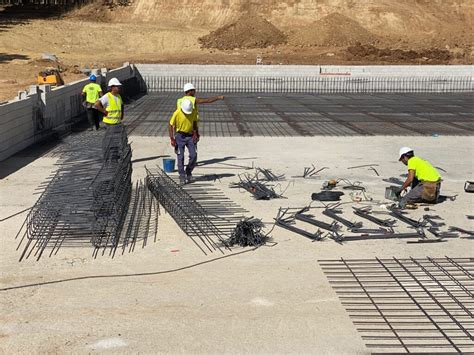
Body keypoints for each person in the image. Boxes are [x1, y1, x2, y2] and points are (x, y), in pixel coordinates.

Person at [169, 99, 199, 185]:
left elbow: (194, 123)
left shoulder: (193, 111)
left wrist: (195, 133)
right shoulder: (177, 113)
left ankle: (188, 172)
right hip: (179, 136)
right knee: (180, 157)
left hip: (190, 136)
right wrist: (172, 138)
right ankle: (182, 176)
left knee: (193, 155)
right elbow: (170, 125)